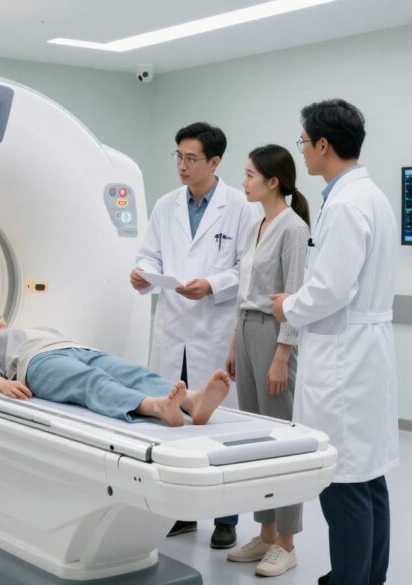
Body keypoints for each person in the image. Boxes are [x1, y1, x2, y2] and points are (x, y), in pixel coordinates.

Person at [269, 99, 398, 585]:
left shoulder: (346, 204)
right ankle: (367, 575)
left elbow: (330, 290)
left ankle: (351, 579)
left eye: (303, 142)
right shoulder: (370, 197)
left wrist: (288, 307)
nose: (301, 151)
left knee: (343, 482)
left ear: (323, 145)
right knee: (369, 476)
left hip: (344, 355)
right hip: (363, 349)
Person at [130, 122, 259, 548]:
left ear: (214, 162)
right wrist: (142, 276)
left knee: (219, 428)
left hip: (214, 328)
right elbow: (149, 253)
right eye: (178, 157)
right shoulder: (166, 205)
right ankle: (181, 513)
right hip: (173, 327)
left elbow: (249, 269)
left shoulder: (241, 208)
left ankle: (226, 518)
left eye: (191, 159)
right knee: (175, 423)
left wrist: (213, 284)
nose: (182, 166)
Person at [224, 145, 310, 578]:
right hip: (246, 329)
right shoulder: (256, 225)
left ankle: (288, 542)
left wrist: (282, 356)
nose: (244, 181)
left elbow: (294, 296)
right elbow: (244, 292)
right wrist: (232, 346)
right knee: (257, 443)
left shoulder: (292, 229)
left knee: (282, 443)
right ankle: (265, 532)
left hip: (274, 336)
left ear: (273, 181)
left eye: (250, 175)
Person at [0, 309, 232, 426]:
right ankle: (156, 406)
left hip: (78, 349)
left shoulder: (31, 327)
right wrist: (3, 385)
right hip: (38, 362)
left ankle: (192, 401)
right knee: (91, 381)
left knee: (132, 372)